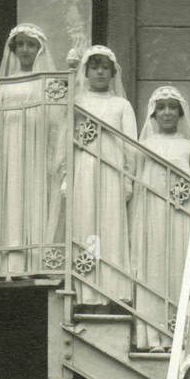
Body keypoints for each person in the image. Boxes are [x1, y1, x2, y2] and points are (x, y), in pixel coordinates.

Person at [133, 86, 190, 349]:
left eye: (172, 107)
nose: (166, 112)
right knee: (153, 270)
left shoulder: (189, 148)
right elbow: (134, 182)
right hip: (151, 216)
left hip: (180, 219)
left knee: (178, 270)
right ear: (154, 112)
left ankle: (179, 336)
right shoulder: (144, 145)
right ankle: (152, 336)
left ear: (180, 113)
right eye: (161, 107)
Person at [0, 23, 65, 275]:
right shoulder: (6, 83)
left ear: (40, 49)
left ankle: (35, 262)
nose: (25, 49)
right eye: (19, 44)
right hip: (12, 155)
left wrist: (54, 157)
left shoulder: (49, 83)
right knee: (12, 203)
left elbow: (57, 124)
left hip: (39, 154)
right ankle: (10, 264)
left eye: (30, 44)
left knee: (37, 200)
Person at [66, 44, 137, 308]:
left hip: (112, 172)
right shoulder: (77, 102)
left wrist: (128, 178)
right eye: (94, 67)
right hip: (84, 171)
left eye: (104, 67)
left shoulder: (121, 105)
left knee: (110, 226)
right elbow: (66, 141)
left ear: (112, 72)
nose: (99, 72)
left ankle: (113, 291)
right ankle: (85, 292)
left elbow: (131, 145)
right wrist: (66, 176)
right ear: (86, 71)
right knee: (85, 223)